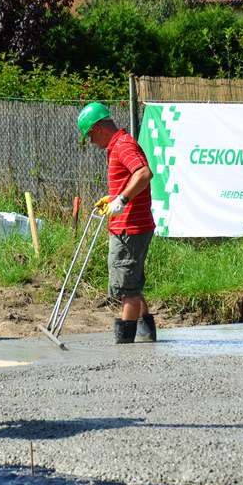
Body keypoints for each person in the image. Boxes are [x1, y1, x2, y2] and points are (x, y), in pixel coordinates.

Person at [77, 102, 157, 344]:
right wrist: (112, 198)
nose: (91, 141)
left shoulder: (123, 145)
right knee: (131, 283)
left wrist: (122, 199)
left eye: (90, 135)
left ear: (99, 128)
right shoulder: (117, 146)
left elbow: (143, 173)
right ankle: (146, 334)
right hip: (129, 225)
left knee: (126, 289)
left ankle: (125, 343)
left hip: (130, 228)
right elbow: (130, 179)